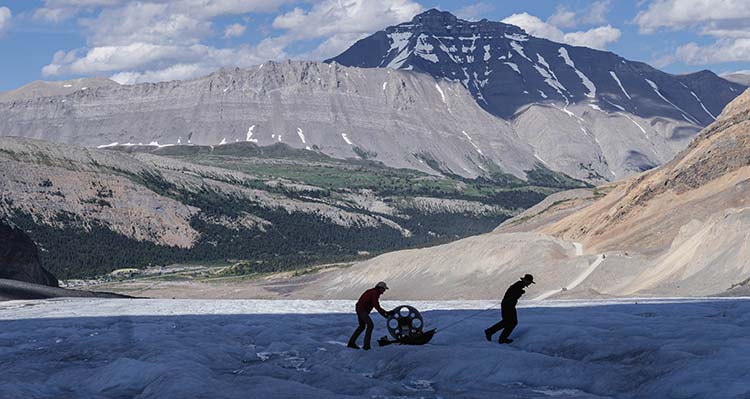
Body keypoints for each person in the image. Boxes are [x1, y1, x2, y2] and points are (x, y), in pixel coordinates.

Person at [484, 274, 535, 344]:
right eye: (529, 282)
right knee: (512, 322)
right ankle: (500, 338)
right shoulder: (518, 286)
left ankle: (492, 333)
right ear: (525, 280)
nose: (529, 284)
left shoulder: (519, 285)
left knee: (507, 322)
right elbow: (513, 295)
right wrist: (520, 293)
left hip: (508, 305)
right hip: (508, 305)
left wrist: (520, 292)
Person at [348, 281, 390, 350]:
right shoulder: (374, 293)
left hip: (360, 309)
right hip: (361, 310)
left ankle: (351, 343)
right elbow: (376, 306)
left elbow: (375, 305)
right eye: (384, 289)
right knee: (370, 325)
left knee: (362, 326)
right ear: (380, 288)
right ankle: (366, 346)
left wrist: (386, 313)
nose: (384, 291)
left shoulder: (373, 292)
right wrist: (385, 314)